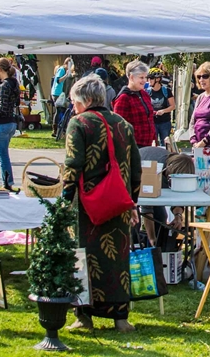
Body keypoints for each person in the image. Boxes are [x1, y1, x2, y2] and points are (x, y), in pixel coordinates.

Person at [62, 74, 140, 332]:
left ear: (84, 100)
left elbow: (73, 164)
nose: (73, 106)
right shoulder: (124, 125)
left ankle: (84, 316)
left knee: (83, 256)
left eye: (74, 101)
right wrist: (132, 203)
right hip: (118, 204)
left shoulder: (79, 123)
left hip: (87, 206)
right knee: (117, 259)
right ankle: (121, 319)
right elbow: (136, 169)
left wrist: (65, 199)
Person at [0, 57, 21, 190]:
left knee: (2, 156)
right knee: (3, 153)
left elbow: (3, 108)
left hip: (2, 123)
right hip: (12, 123)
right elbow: (16, 103)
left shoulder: (4, 86)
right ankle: (7, 181)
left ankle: (8, 182)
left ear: (1, 69)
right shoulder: (15, 83)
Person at [113, 60, 157, 148]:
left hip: (148, 144)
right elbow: (118, 127)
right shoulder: (123, 98)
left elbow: (149, 118)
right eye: (141, 77)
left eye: (145, 77)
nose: (145, 80)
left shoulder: (144, 94)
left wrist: (154, 139)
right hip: (132, 146)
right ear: (132, 77)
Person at [147, 70, 175, 147]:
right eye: (148, 78)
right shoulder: (147, 92)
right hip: (152, 122)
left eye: (151, 78)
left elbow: (173, 106)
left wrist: (164, 111)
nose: (149, 81)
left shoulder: (166, 91)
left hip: (164, 122)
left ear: (158, 79)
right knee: (153, 144)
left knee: (165, 144)